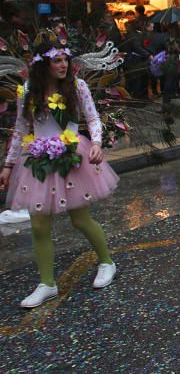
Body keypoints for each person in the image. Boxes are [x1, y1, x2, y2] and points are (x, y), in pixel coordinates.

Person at [0, 40, 119, 307]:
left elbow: (93, 118)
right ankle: (46, 283)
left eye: (65, 59)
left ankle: (106, 262)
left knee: (81, 220)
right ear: (44, 64)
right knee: (39, 226)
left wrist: (97, 144)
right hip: (38, 159)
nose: (63, 64)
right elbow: (20, 129)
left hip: (71, 157)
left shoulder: (77, 87)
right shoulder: (27, 90)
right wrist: (8, 165)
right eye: (57, 60)